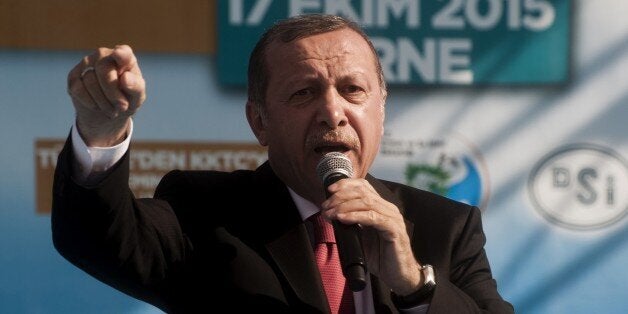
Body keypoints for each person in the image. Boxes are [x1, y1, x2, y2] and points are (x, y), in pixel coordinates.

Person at [52, 14, 514, 314]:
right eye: (304, 92)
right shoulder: (204, 211)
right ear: (259, 122)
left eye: (353, 90)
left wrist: (413, 284)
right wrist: (100, 129)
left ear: (381, 108)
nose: (333, 112)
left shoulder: (445, 227)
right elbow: (96, 238)